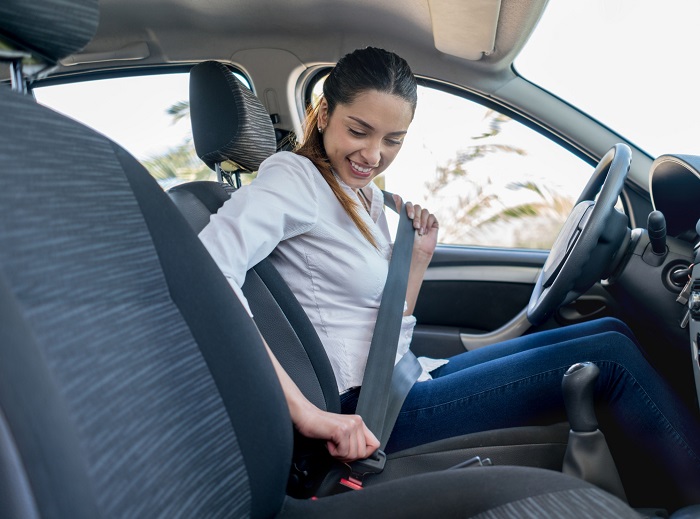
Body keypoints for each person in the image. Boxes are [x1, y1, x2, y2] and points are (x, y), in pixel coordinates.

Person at [199, 47, 700, 508]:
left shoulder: (362, 196)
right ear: (325, 113)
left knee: (609, 332)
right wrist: (310, 415)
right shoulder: (294, 177)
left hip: (401, 378)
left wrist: (415, 262)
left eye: (393, 140)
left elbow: (376, 327)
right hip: (371, 415)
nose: (373, 155)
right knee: (610, 359)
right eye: (359, 130)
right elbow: (209, 270)